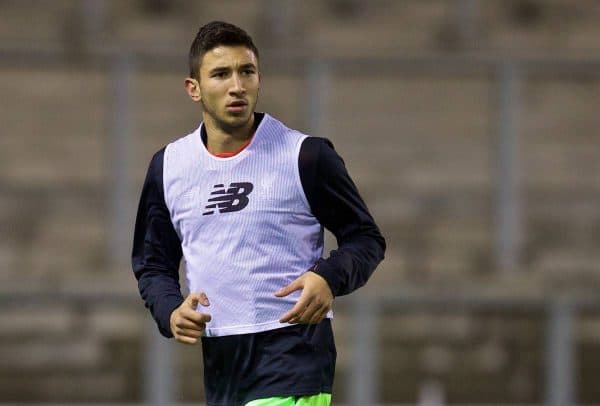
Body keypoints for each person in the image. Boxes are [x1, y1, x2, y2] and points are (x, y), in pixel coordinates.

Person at [131, 21, 385, 406]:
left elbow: (366, 238)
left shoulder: (306, 156)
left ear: (258, 79)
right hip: (222, 364)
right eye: (221, 74)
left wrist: (328, 278)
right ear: (193, 89)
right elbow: (153, 263)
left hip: (293, 354)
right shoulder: (169, 166)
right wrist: (170, 310)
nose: (237, 85)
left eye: (246, 71)